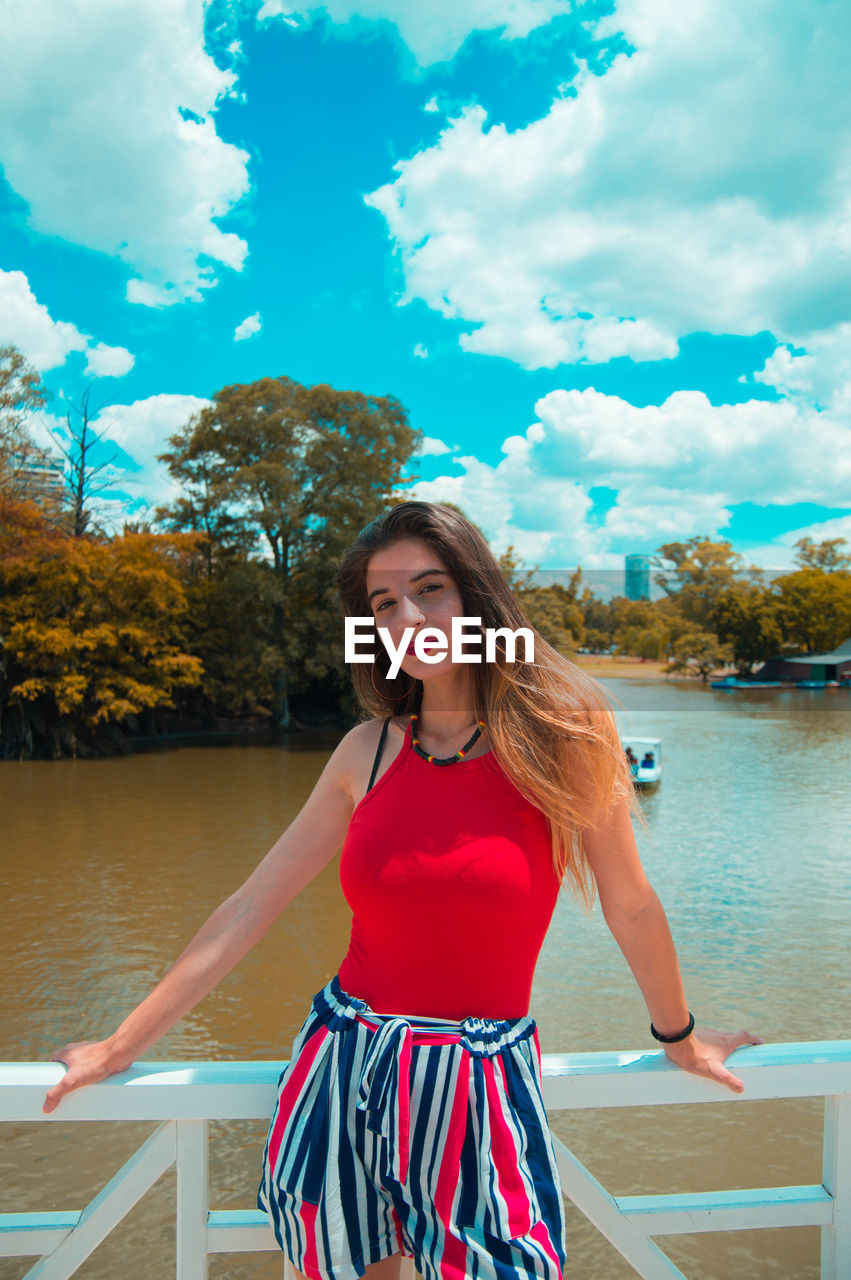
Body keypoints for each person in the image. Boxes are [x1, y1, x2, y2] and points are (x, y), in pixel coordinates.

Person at [42, 501, 761, 1280]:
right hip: (343, 1062)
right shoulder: (366, 751)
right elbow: (251, 905)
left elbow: (630, 904)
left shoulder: (565, 738)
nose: (409, 616)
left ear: (479, 596)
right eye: (385, 604)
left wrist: (678, 1037)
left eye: (431, 588)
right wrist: (120, 1047)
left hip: (479, 1081)